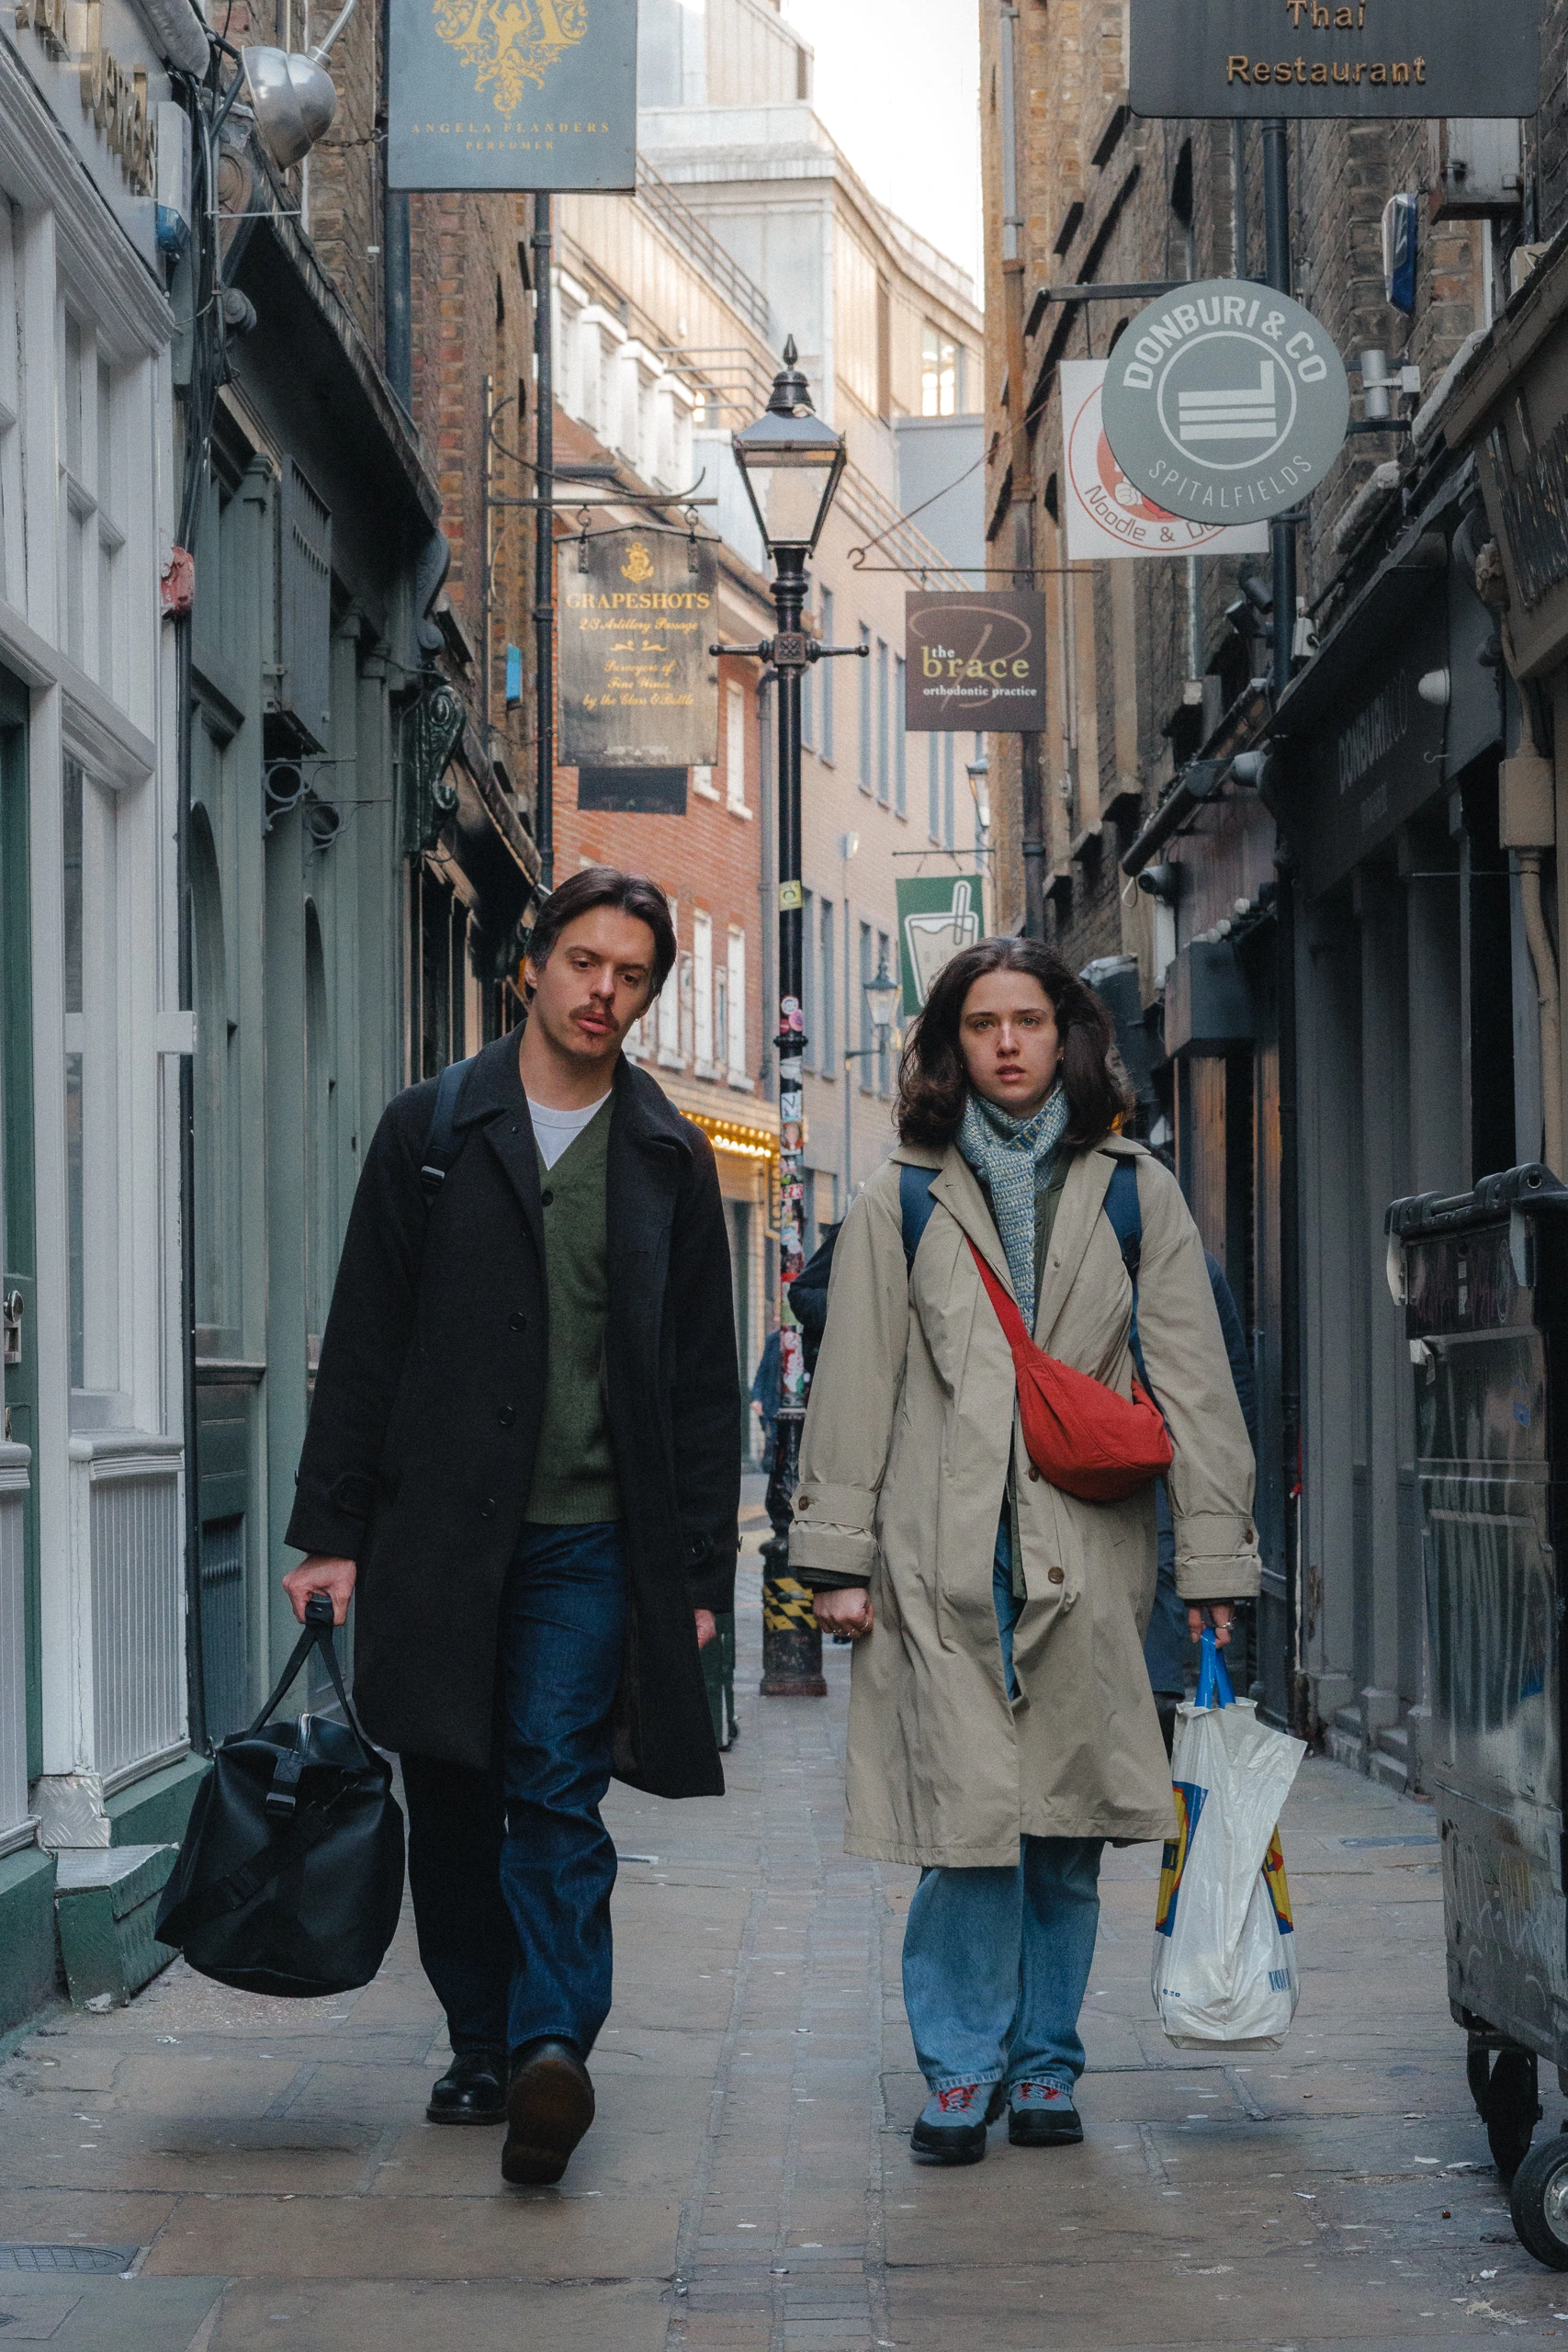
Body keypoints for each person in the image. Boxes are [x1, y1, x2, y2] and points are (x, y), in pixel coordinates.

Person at [280, 866, 740, 2188]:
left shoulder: (664, 1154)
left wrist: (698, 1572)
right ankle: (478, 2038)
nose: (605, 991)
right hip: (436, 1533)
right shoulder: (430, 1129)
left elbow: (702, 1384)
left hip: (592, 1535)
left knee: (552, 1780)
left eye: (633, 974)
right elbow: (364, 1341)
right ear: (531, 962)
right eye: (585, 961)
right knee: (454, 1788)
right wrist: (331, 1532)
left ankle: (551, 2049)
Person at [789, 939, 1258, 2165]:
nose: (1005, 1042)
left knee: (1062, 1828)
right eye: (980, 1023)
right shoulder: (902, 1191)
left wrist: (1213, 1566)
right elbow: (855, 1383)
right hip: (940, 1561)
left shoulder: (1129, 1189)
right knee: (964, 1830)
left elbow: (1194, 1389)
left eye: (1028, 1021)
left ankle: (1044, 2062)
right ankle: (957, 2069)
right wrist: (835, 1558)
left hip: (1085, 1553)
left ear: (1066, 1038)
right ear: (951, 1045)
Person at [1145, 1249, 1258, 1753]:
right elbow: (1235, 1394)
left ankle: (1166, 1766)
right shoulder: (1195, 1265)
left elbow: (1230, 1396)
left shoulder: (1190, 1266)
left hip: (1164, 1470)